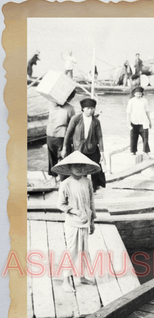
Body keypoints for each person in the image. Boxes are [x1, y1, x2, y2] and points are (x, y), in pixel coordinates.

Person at [53, 151, 99, 292]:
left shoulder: (87, 181)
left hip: (85, 222)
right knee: (72, 250)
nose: (79, 168)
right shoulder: (65, 184)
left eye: (82, 165)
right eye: (76, 166)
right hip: (73, 223)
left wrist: (92, 221)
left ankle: (81, 276)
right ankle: (66, 280)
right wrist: (75, 211)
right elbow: (61, 204)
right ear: (69, 167)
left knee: (84, 251)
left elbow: (91, 201)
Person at [62, 98, 106, 191]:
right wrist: (64, 148)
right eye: (88, 108)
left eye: (92, 108)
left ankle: (94, 189)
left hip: (92, 149)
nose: (90, 111)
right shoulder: (76, 119)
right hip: (79, 150)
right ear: (83, 109)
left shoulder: (96, 121)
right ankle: (81, 189)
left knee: (95, 169)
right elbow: (68, 134)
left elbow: (100, 137)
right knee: (80, 170)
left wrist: (102, 152)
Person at [47, 90, 77, 182]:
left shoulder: (51, 105)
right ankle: (63, 180)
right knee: (63, 158)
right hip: (61, 136)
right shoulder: (70, 108)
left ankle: (53, 177)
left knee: (52, 156)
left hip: (50, 134)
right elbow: (73, 125)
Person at [127, 87, 152, 157]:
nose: (138, 95)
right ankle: (133, 151)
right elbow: (128, 113)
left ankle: (146, 151)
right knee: (133, 137)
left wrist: (150, 121)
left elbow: (147, 112)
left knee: (145, 138)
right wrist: (128, 123)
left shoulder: (145, 101)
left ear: (142, 94)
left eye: (140, 94)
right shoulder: (131, 101)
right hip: (134, 121)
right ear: (134, 94)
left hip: (143, 121)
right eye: (137, 94)